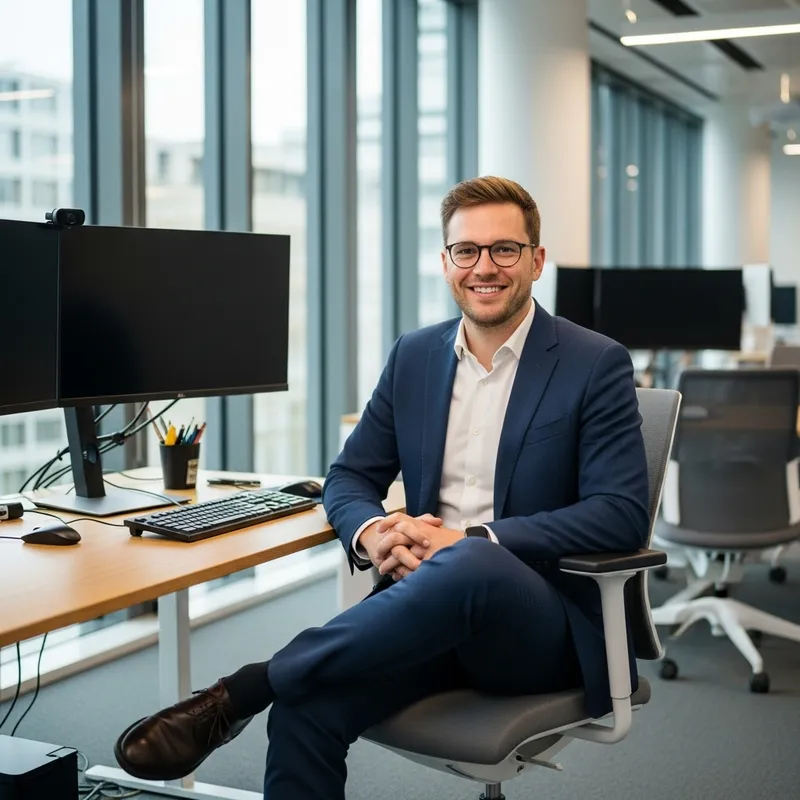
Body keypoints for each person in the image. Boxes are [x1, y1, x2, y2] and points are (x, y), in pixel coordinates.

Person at [114, 176, 649, 799]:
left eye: (504, 250)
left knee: (473, 558)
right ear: (445, 262)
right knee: (304, 708)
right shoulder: (415, 356)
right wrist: (372, 534)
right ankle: (273, 689)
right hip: (419, 608)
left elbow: (620, 515)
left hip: (535, 629)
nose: (485, 268)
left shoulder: (594, 362)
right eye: (466, 251)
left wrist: (468, 538)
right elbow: (349, 475)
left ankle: (245, 687)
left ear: (536, 259)